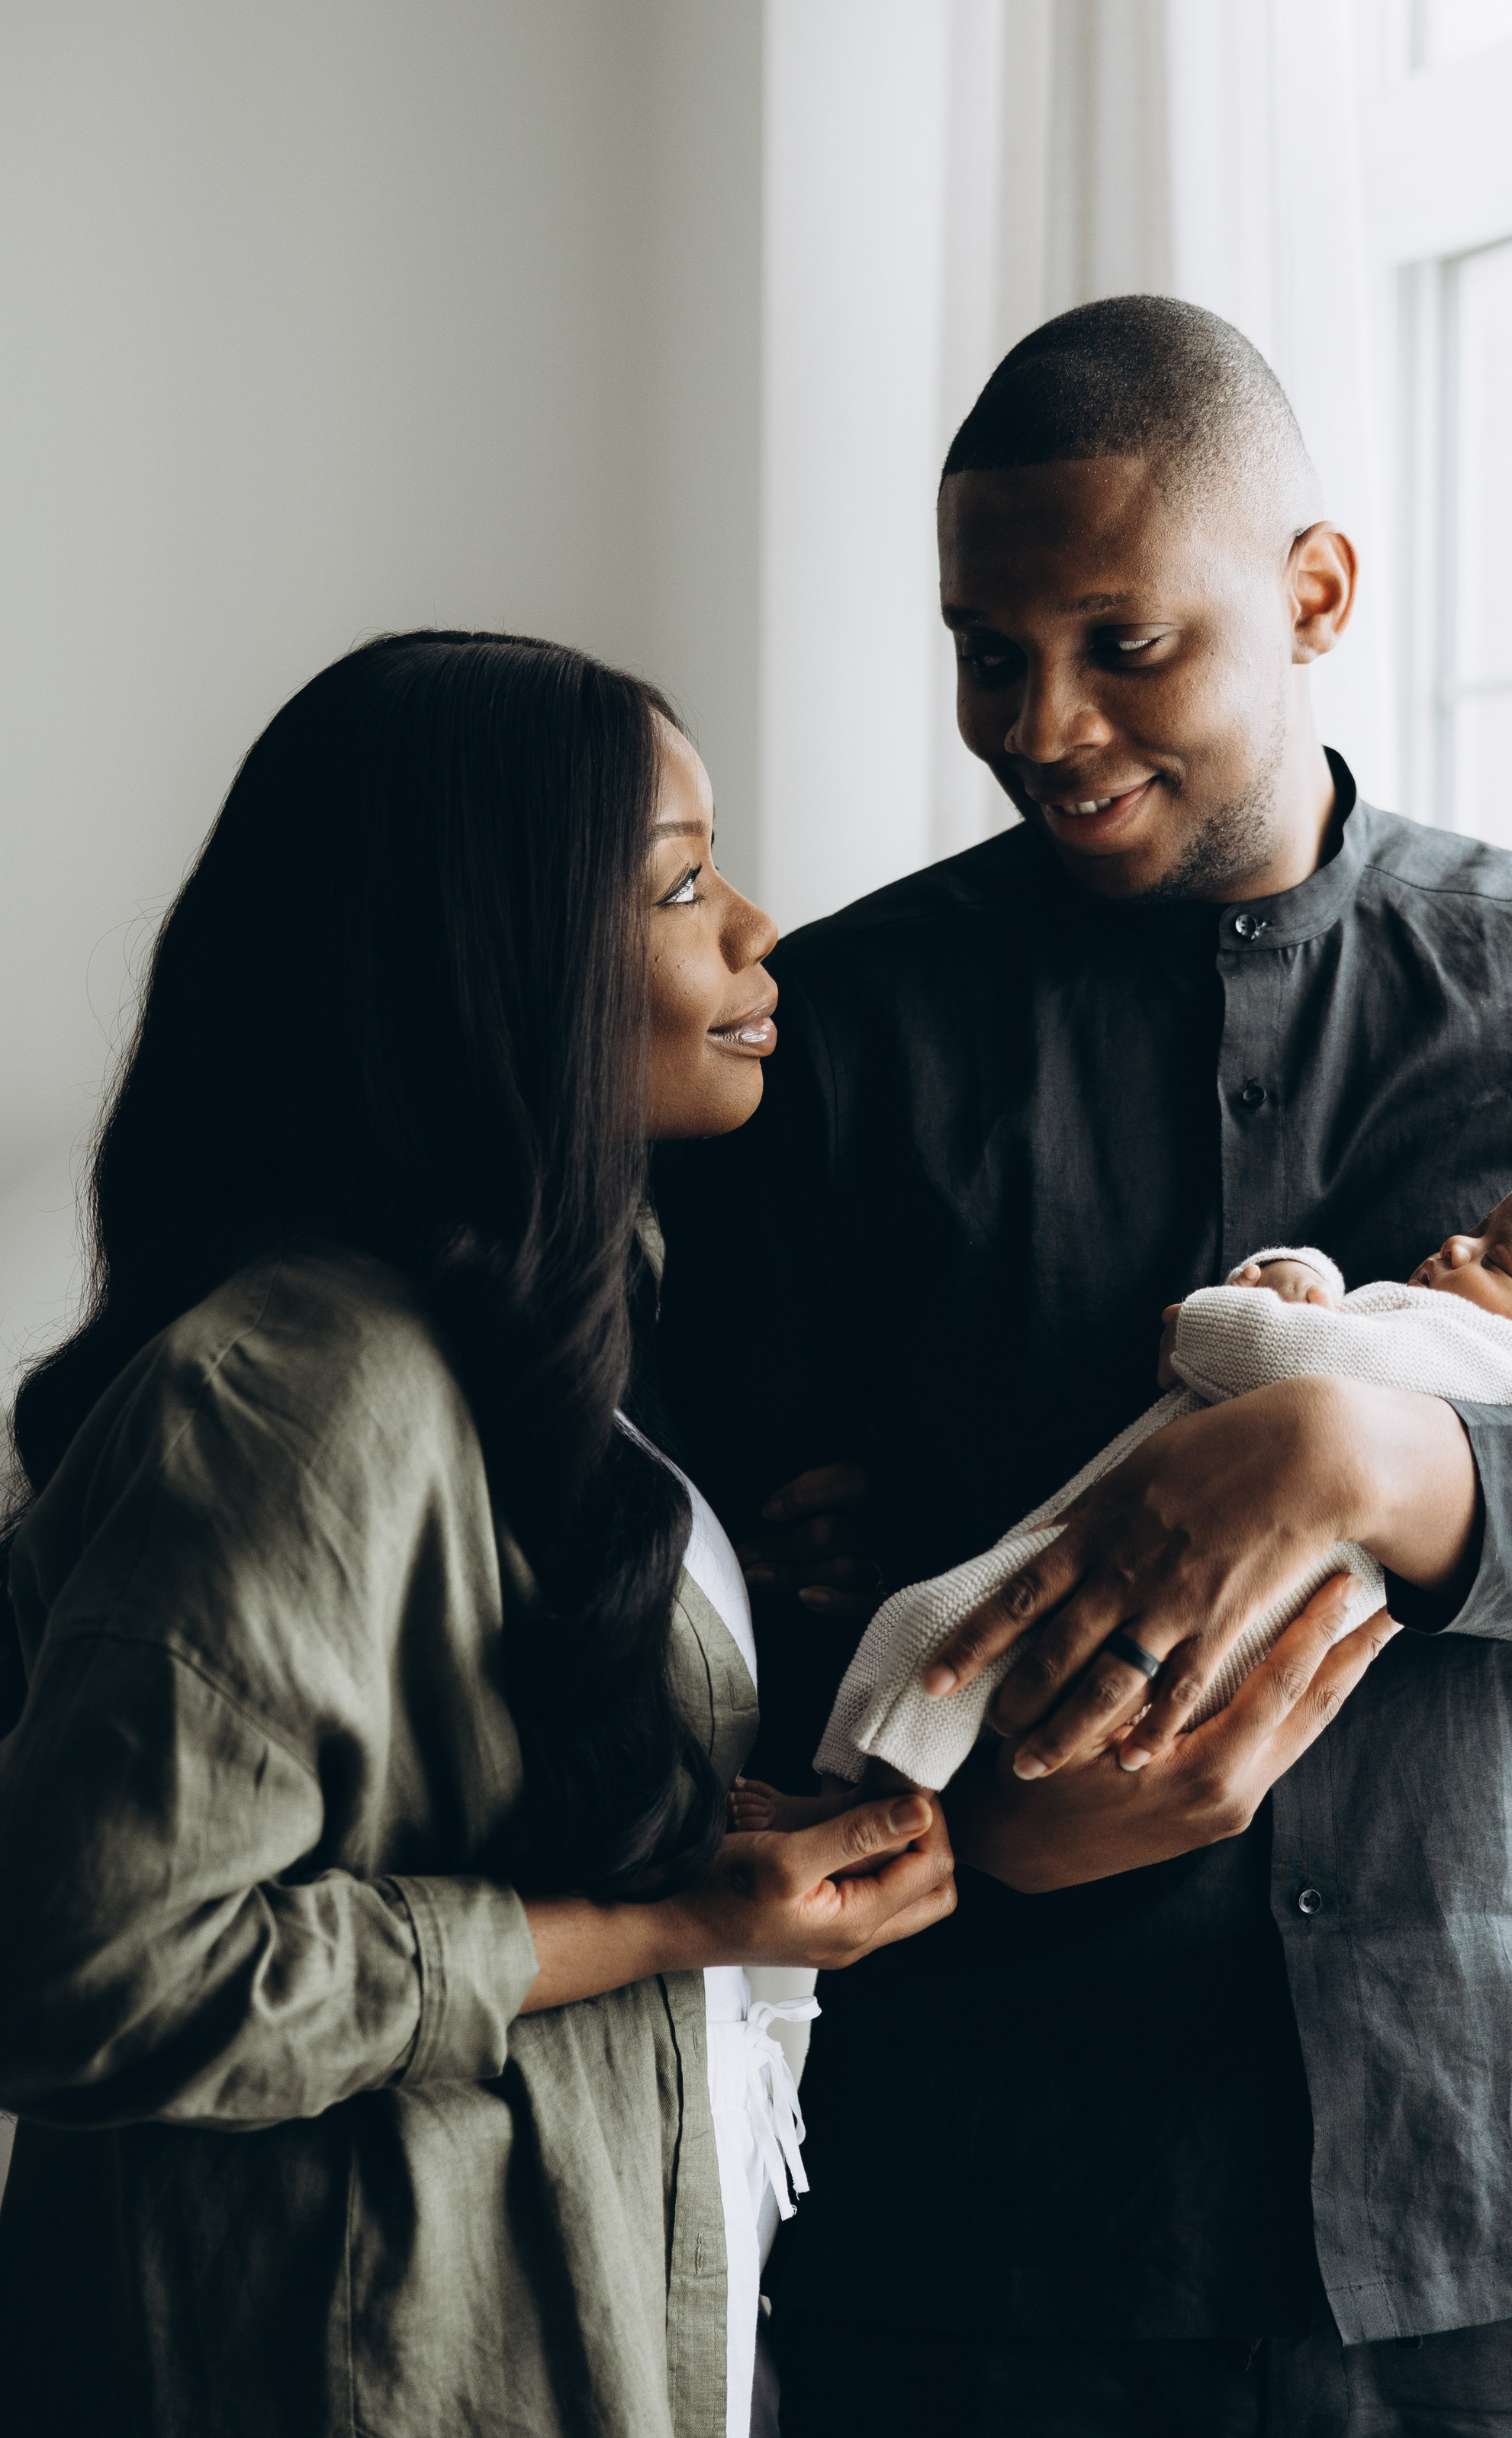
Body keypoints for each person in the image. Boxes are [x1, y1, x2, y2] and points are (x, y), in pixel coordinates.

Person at [653, 297, 1512, 2436]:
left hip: (1489, 2206)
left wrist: (1370, 1459)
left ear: (1314, 592)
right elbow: (710, 1582)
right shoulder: (829, 1035)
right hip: (986, 2215)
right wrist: (980, 1822)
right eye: (984, 651)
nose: (1042, 726)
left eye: (1124, 644)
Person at [0, 631, 959, 2438]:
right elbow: (99, 1972)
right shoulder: (308, 1390)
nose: (759, 935)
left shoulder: (530, 1345)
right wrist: (666, 1917)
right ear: (496, 963)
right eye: (682, 884)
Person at [737, 1162, 1512, 1805]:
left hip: (1165, 1596)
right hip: (1200, 1624)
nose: (1456, 1243)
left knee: (935, 1639)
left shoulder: (1497, 1369)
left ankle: (847, 1808)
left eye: (1500, 1259)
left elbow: (1294, 1372)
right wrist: (1303, 1282)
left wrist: (1203, 1323)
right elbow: (1340, 1345)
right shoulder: (1476, 1360)